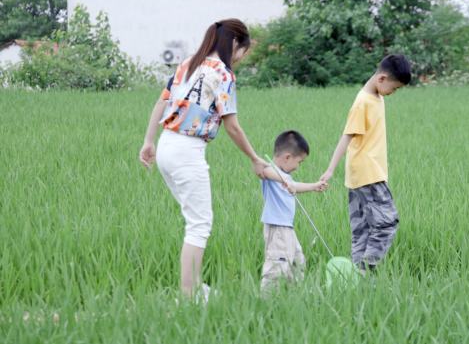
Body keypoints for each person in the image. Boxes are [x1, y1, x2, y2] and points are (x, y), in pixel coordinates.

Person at [139, 18, 268, 300]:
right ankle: (190, 293)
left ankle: (194, 288)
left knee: (194, 220)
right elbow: (232, 125)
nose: (241, 58)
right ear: (236, 44)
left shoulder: (188, 63)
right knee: (199, 224)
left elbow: (162, 101)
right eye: (243, 51)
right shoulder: (223, 73)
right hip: (187, 151)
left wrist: (149, 141)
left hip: (166, 146)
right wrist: (255, 158)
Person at [319, 54, 411, 274]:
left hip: (359, 175)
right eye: (394, 88)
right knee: (388, 223)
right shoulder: (363, 102)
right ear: (381, 79)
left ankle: (357, 283)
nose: (393, 93)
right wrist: (330, 169)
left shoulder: (376, 98)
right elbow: (347, 136)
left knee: (362, 230)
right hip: (369, 174)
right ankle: (364, 270)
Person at [259, 130, 326, 296]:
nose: (298, 166)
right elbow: (264, 171)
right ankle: (265, 299)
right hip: (277, 228)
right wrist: (283, 180)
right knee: (277, 265)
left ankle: (294, 295)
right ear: (287, 157)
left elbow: (294, 185)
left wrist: (314, 186)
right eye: (299, 162)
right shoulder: (270, 170)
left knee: (298, 261)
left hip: (287, 228)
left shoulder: (285, 176)